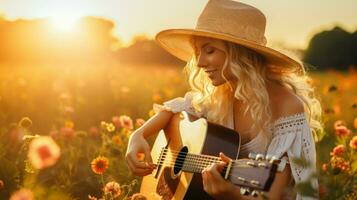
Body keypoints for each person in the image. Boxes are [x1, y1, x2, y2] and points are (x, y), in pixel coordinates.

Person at [125, 0, 322, 199]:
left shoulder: (286, 105)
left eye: (209, 50)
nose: (200, 62)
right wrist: (138, 136)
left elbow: (274, 194)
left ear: (240, 54)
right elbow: (178, 110)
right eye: (198, 51)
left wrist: (231, 194)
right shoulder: (220, 94)